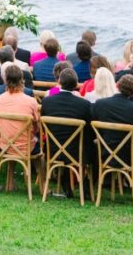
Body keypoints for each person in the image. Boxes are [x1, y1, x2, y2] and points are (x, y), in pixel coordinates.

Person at [41, 68, 94, 196]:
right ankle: (87, 182)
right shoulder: (84, 104)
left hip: (52, 149)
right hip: (77, 151)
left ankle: (68, 181)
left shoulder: (47, 101)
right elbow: (89, 130)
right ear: (76, 85)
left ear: (59, 80)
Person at [92, 74, 133, 176]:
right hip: (129, 156)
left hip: (104, 152)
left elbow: (96, 131)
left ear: (117, 85)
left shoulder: (100, 104)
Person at [0, 65, 39, 157]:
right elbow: (36, 127)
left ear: (5, 80)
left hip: (4, 146)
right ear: (21, 79)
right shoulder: (31, 101)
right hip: (26, 147)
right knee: (38, 140)